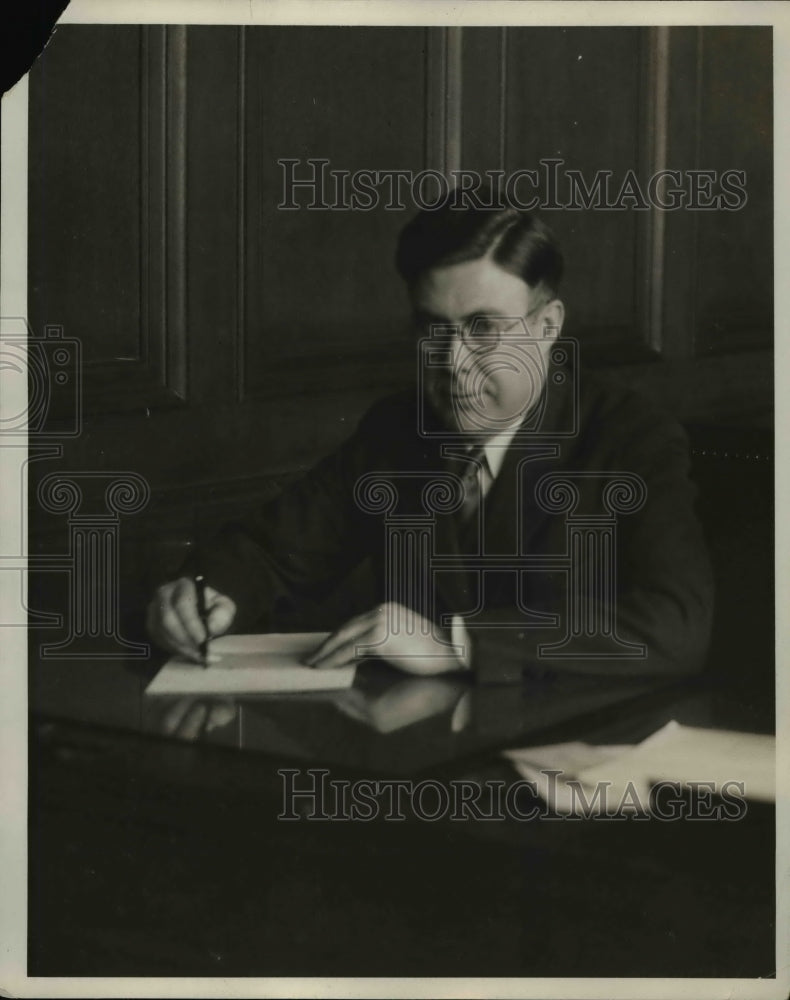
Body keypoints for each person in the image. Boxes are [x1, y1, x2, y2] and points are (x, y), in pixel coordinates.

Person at [146, 197, 713, 684]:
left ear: (547, 326)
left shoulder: (631, 436)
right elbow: (269, 552)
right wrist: (201, 596)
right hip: (424, 757)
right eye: (432, 330)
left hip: (578, 762)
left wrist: (458, 644)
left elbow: (675, 626)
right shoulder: (397, 430)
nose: (454, 363)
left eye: (484, 328)